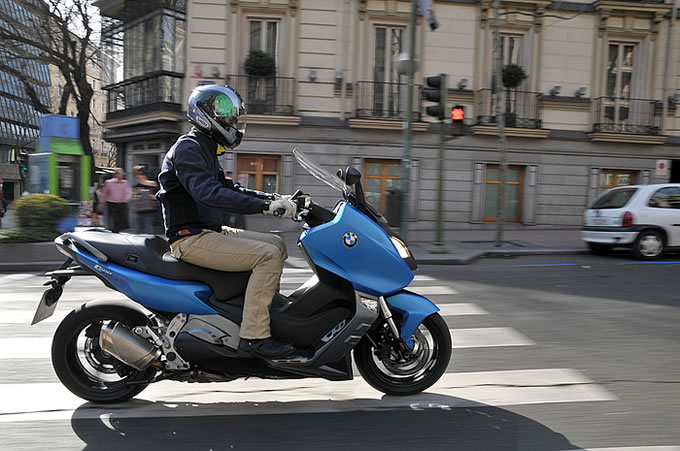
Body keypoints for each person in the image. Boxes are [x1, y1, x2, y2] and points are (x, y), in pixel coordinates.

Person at [157, 84, 297, 359]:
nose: (233, 123)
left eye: (234, 117)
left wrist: (276, 197)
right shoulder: (189, 148)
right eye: (228, 117)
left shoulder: (204, 148)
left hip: (207, 232)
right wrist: (265, 206)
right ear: (207, 115)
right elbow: (209, 194)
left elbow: (231, 188)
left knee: (277, 244)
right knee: (267, 256)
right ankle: (254, 337)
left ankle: (264, 314)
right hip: (190, 238)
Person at [100, 168, 132, 233]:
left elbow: (128, 192)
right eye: (119, 173)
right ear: (115, 174)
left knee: (121, 219)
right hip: (112, 203)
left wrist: (126, 198)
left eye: (121, 173)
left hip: (122, 203)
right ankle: (114, 231)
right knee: (115, 219)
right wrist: (101, 202)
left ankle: (119, 230)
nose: (121, 175)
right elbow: (104, 193)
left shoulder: (125, 183)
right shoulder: (109, 182)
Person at [131, 166, 158, 234]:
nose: (139, 176)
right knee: (138, 232)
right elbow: (133, 198)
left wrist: (147, 194)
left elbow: (156, 197)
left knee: (148, 232)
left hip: (148, 211)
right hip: (138, 211)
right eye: (137, 174)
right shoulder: (136, 185)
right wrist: (136, 194)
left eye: (140, 174)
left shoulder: (152, 184)